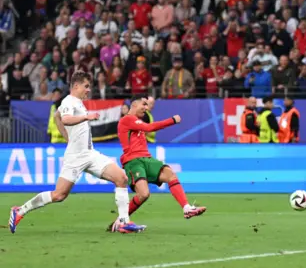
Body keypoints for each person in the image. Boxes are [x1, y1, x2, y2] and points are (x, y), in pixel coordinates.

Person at [9, 72, 145, 234]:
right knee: (59, 195)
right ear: (76, 86)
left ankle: (123, 222)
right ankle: (20, 211)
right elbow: (65, 119)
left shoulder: (78, 103)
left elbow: (57, 116)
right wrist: (86, 117)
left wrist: (68, 137)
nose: (88, 90)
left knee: (121, 178)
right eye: (86, 86)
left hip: (89, 153)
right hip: (75, 157)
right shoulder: (69, 101)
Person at [108, 95, 206, 231]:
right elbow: (150, 128)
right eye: (144, 104)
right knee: (144, 194)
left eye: (147, 105)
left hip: (147, 159)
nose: (146, 108)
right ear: (134, 104)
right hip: (134, 161)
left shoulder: (137, 121)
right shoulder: (127, 120)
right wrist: (172, 120)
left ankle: (187, 208)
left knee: (170, 174)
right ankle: (122, 220)